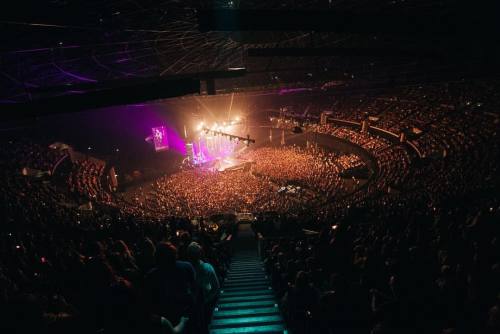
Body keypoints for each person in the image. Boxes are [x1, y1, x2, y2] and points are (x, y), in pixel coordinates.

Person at [144, 242, 196, 328]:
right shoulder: (186, 266)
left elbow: (150, 300)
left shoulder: (151, 275)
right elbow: (194, 287)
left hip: (166, 315)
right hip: (186, 312)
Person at [187, 242, 220, 324]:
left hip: (193, 304)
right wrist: (207, 300)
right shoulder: (207, 267)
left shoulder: (185, 269)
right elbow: (216, 287)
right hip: (205, 302)